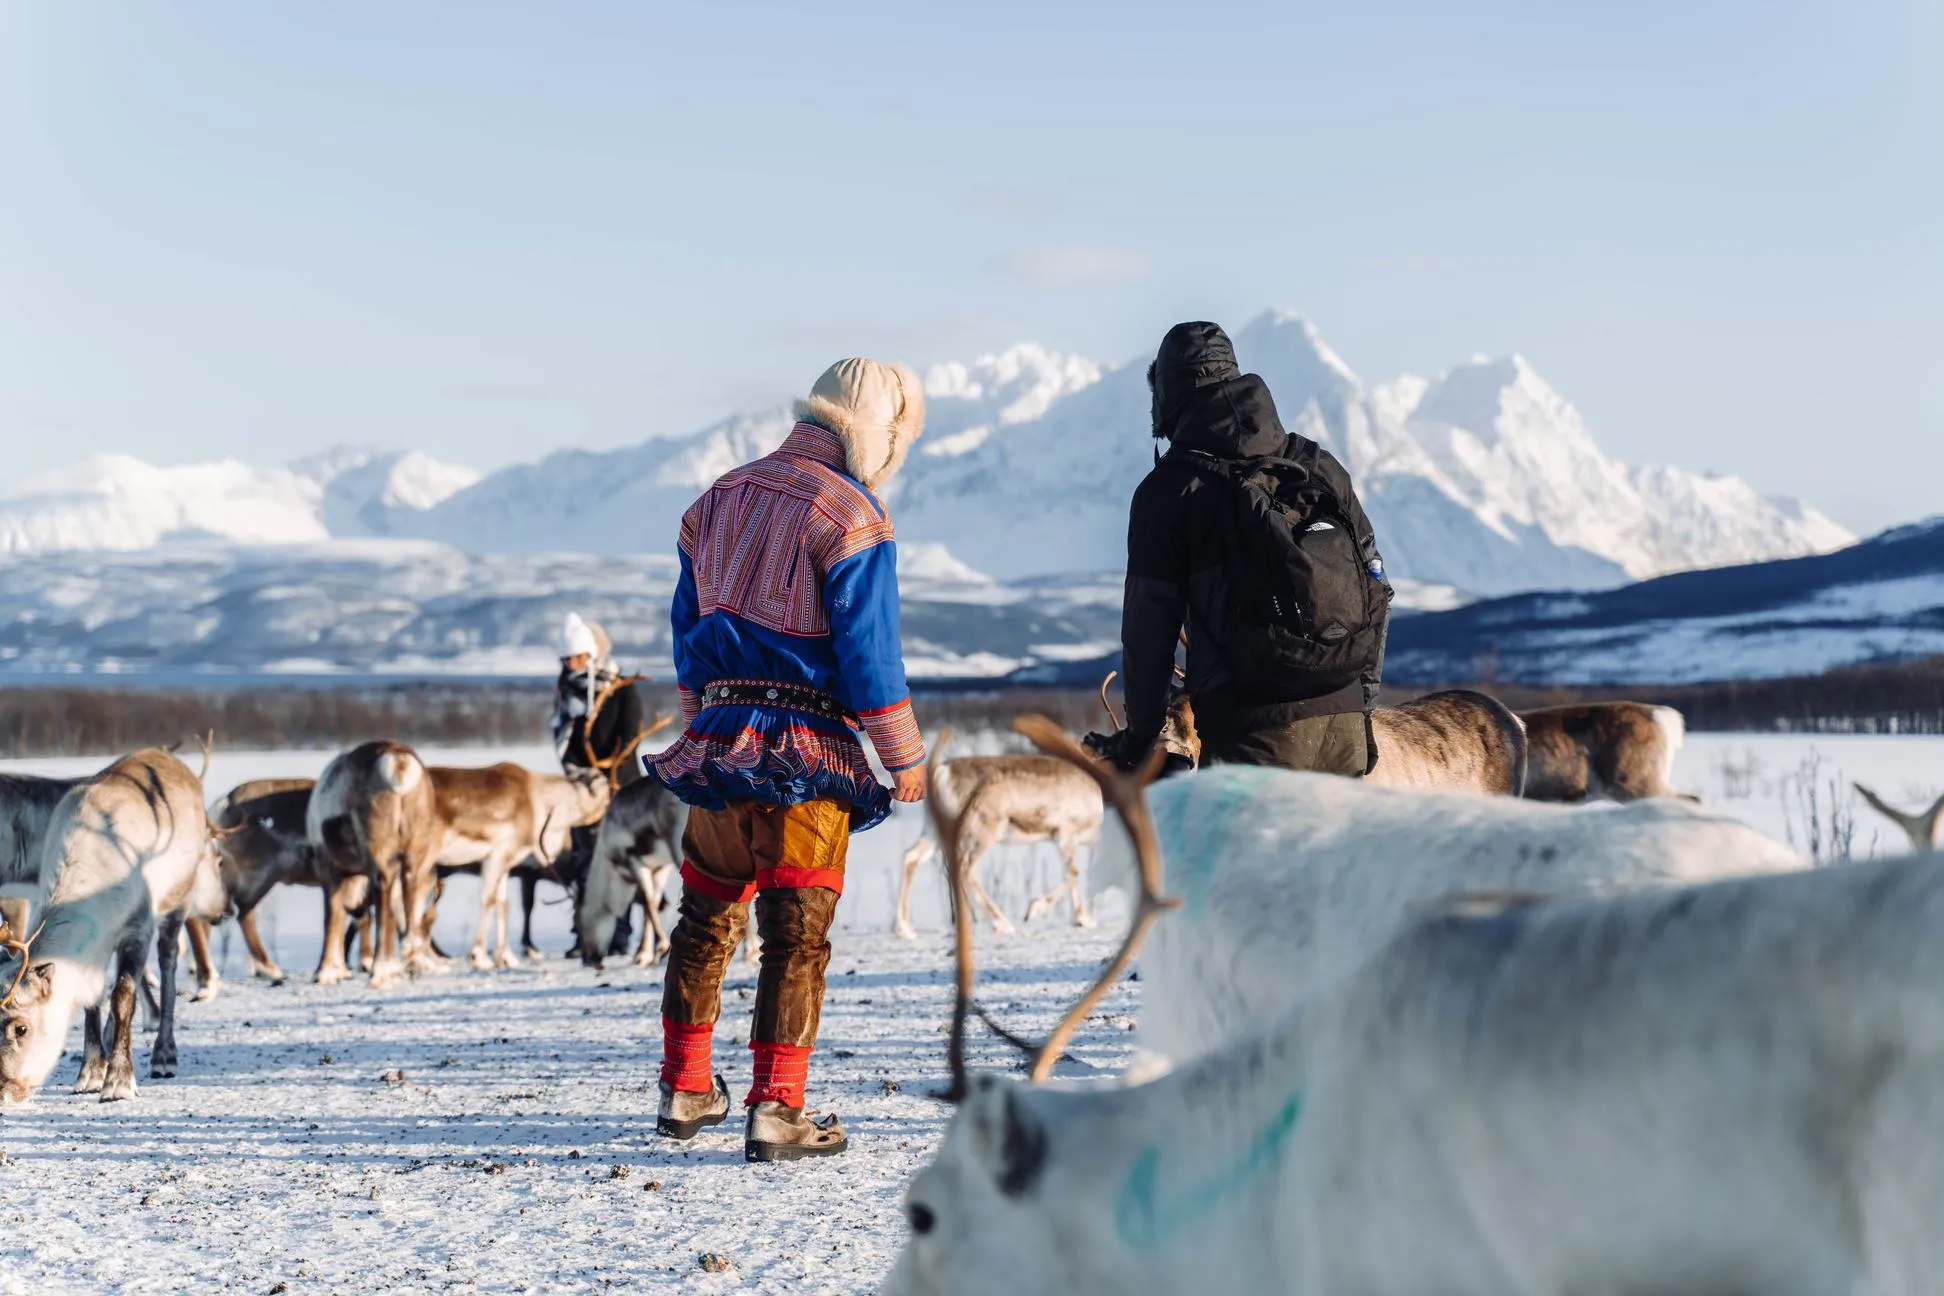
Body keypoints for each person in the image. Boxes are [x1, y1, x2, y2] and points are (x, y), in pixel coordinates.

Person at [645, 356, 928, 1162]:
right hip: (806, 755)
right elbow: (870, 652)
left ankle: (685, 1087)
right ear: (882, 430)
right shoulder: (852, 514)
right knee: (795, 934)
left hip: (721, 744)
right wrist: (901, 756)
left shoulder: (715, 500)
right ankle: (777, 1108)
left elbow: (684, 629)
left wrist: (704, 728)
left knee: (704, 918)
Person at [1112, 321, 1392, 774]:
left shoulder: (1170, 491)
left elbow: (1148, 631)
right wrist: (1361, 709)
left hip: (1253, 734)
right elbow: (1376, 587)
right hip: (1343, 725)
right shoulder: (1317, 467)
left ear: (1165, 395)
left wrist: (1141, 740)